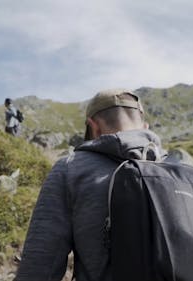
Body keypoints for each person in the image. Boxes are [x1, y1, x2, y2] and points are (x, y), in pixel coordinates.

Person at [15, 89, 154, 281]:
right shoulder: (186, 174)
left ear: (93, 127)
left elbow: (39, 266)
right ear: (145, 128)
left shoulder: (70, 169)